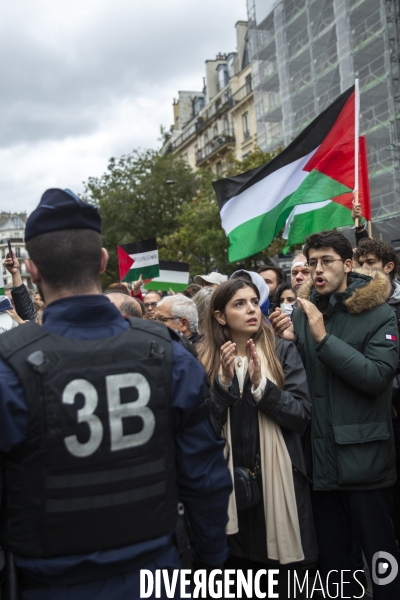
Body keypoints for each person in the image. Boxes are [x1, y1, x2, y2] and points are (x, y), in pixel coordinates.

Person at [0, 188, 232, 600]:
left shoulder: (10, 366)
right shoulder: (167, 353)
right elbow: (207, 479)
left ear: (33, 271)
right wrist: (212, 567)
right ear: (103, 260)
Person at [270, 230, 400, 598]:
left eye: (326, 261)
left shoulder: (379, 314)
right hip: (319, 466)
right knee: (336, 574)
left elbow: (376, 378)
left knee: (382, 566)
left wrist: (323, 338)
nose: (317, 270)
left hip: (365, 465)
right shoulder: (303, 314)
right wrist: (291, 345)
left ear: (347, 264)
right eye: (311, 263)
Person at [198, 278, 317, 598]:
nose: (251, 309)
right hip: (227, 493)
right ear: (220, 316)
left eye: (253, 301)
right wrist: (222, 386)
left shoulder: (283, 351)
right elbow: (200, 429)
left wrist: (263, 389)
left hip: (279, 488)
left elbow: (301, 416)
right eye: (239, 304)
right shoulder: (204, 359)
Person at [3, 251, 37, 321]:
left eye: (12, 302)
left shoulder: (33, 327)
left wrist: (15, 273)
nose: (8, 308)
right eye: (4, 302)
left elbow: (26, 312)